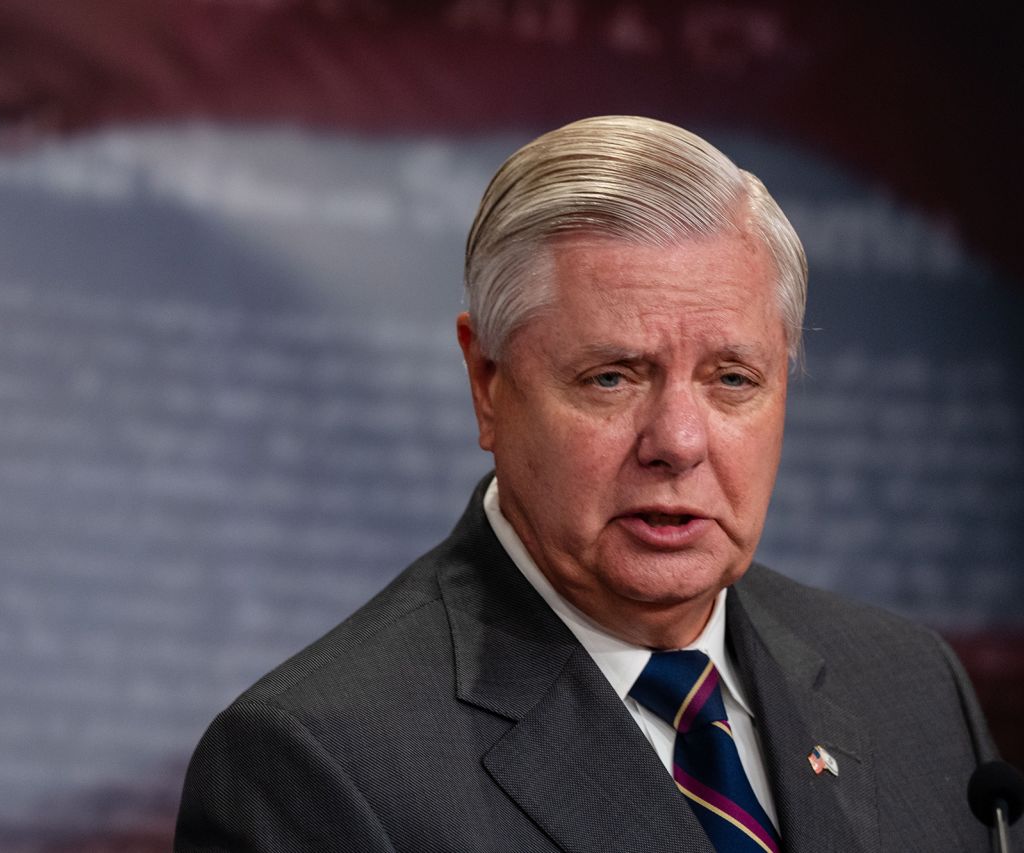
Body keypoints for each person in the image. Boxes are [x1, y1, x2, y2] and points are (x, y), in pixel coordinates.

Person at [174, 116, 1012, 851]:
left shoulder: (911, 686)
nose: (679, 442)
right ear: (488, 382)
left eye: (732, 379)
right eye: (612, 377)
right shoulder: (317, 767)